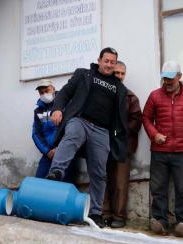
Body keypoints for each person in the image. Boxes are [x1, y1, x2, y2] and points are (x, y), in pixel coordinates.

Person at [47, 47, 129, 228]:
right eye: (106, 61)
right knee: (72, 135)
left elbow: (120, 119)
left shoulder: (119, 88)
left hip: (102, 131)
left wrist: (117, 138)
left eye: (112, 62)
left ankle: (96, 212)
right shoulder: (83, 74)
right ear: (99, 60)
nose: (109, 65)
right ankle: (56, 172)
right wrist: (57, 109)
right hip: (80, 120)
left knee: (99, 172)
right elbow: (65, 93)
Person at [142, 60, 183, 237]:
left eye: (170, 78)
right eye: (164, 78)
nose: (167, 82)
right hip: (160, 151)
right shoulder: (154, 96)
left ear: (179, 77)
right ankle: (160, 221)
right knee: (158, 188)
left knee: (182, 189)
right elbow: (146, 118)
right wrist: (154, 134)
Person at [102, 60, 142, 228]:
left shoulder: (130, 97)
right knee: (103, 180)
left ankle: (119, 216)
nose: (118, 76)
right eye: (116, 72)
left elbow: (137, 120)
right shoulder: (102, 94)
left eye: (121, 73)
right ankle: (104, 213)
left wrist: (119, 130)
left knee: (120, 183)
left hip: (123, 145)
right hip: (103, 144)